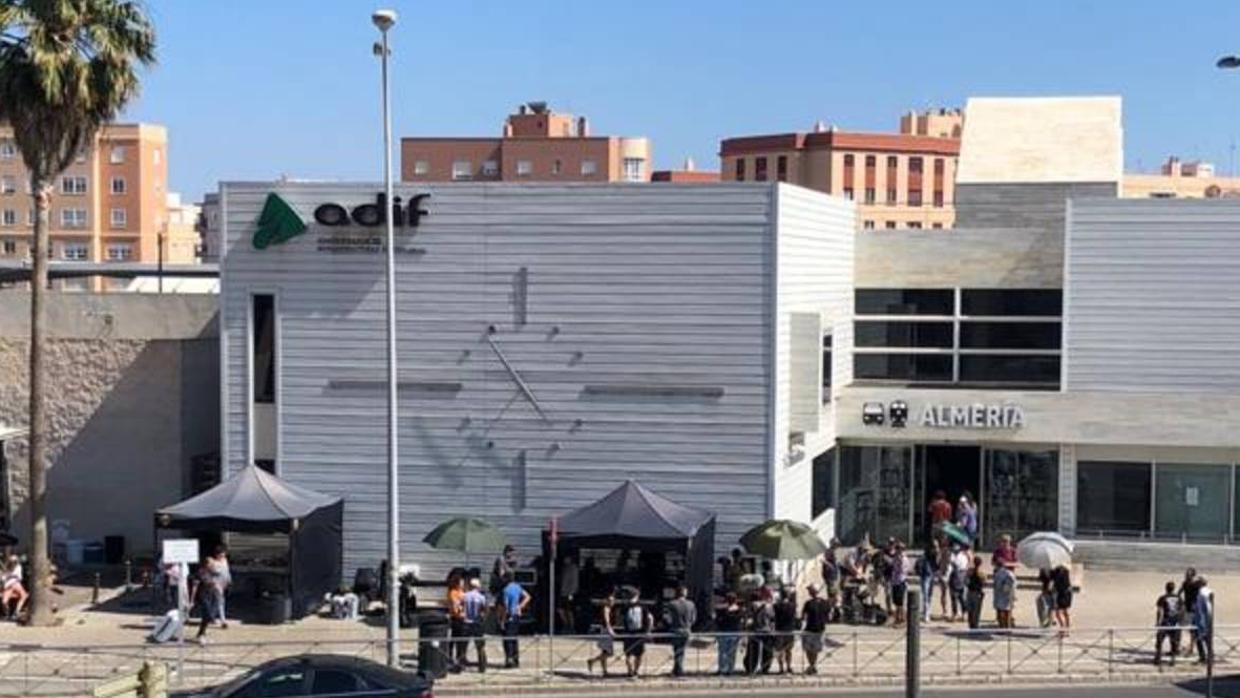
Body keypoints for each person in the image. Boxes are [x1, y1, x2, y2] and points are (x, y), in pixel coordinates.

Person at [500, 574, 531, 669]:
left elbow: (505, 606)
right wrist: (520, 606)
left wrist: (502, 620)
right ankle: (516, 659)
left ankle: (509, 659)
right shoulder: (517, 587)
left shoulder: (505, 590)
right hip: (517, 615)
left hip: (509, 615)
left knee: (507, 639)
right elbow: (528, 596)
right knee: (514, 638)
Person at [665, 585, 697, 677]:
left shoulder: (672, 604)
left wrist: (670, 624)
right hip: (686, 630)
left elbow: (668, 618)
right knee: (681, 650)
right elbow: (694, 618)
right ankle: (677, 669)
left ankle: (679, 670)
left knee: (677, 650)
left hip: (675, 629)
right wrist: (689, 624)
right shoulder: (691, 604)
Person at [801, 584, 831, 675]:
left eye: (809, 591)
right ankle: (812, 666)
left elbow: (803, 617)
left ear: (812, 592)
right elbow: (829, 616)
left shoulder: (808, 603)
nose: (809, 592)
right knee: (815, 650)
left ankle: (812, 666)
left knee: (809, 649)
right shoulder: (825, 603)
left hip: (810, 628)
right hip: (820, 629)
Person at [585, 587, 616, 676]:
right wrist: (610, 630)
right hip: (606, 631)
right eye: (610, 600)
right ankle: (592, 661)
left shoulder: (609, 608)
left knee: (605, 652)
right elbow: (607, 621)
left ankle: (604, 670)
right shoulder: (606, 609)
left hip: (606, 630)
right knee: (609, 653)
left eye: (613, 600)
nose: (612, 602)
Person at [620, 588, 650, 677]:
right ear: (637, 596)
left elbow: (620, 620)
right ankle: (636, 671)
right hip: (639, 633)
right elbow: (650, 618)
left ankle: (630, 671)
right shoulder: (642, 606)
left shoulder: (625, 606)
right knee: (639, 654)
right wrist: (647, 630)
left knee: (628, 654)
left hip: (628, 634)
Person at [462, 579, 489, 673]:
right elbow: (485, 610)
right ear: (478, 586)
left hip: (466, 622)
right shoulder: (481, 597)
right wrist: (483, 619)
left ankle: (461, 665)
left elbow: (460, 607)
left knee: (463, 645)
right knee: (480, 646)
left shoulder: (465, 596)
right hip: (477, 623)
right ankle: (482, 666)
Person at [1155, 581, 1183, 667]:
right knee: (1173, 642)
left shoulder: (1163, 598)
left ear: (1166, 588)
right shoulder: (1179, 598)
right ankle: (1173, 660)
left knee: (1159, 640)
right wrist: (1180, 621)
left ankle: (1158, 658)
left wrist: (1158, 621)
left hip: (1165, 621)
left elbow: (1159, 610)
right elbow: (1182, 610)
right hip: (1175, 622)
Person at [715, 592, 743, 676]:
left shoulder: (722, 610)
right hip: (735, 633)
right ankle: (730, 669)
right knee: (732, 653)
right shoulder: (739, 610)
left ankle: (722, 669)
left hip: (724, 632)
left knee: (723, 652)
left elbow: (718, 620)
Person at [773, 586, 798, 673]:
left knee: (780, 650)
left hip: (779, 630)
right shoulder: (793, 606)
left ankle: (781, 668)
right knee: (788, 650)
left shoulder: (776, 606)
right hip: (789, 630)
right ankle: (789, 666)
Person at [1180, 568, 1204, 659]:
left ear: (1192, 575)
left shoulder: (1196, 584)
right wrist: (1180, 601)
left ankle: (1191, 648)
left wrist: (1199, 578)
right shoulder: (1185, 583)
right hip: (1187, 608)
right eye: (1186, 574)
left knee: (1193, 629)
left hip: (1194, 609)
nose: (1186, 575)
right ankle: (1188, 647)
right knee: (1184, 627)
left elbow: (1204, 582)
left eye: (1188, 574)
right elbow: (1180, 592)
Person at [446, 573, 467, 671]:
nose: (463, 584)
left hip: (462, 618)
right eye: (461, 582)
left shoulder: (462, 591)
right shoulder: (453, 592)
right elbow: (455, 607)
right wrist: (460, 609)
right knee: (455, 638)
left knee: (461, 640)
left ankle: (460, 657)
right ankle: (451, 657)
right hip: (457, 618)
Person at [916, 541, 939, 623]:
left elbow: (937, 566)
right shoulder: (924, 557)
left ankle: (927, 611)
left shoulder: (935, 556)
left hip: (931, 576)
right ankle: (926, 614)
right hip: (925, 576)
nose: (936, 548)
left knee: (929, 596)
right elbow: (919, 566)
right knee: (925, 596)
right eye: (935, 547)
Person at [1, 555, 28, 620]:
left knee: (24, 596)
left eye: (15, 561)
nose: (13, 563)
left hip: (16, 584)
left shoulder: (18, 567)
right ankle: (7, 613)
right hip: (8, 586)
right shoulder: (7, 569)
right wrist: (5, 576)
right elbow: (3, 578)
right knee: (4, 602)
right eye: (12, 561)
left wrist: (9, 575)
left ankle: (17, 611)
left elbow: (19, 577)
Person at [1194, 578, 1214, 664]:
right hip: (1207, 617)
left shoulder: (1202, 592)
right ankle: (1210, 655)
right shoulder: (1209, 591)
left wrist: (1202, 619)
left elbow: (1204, 607)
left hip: (1202, 618)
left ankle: (1203, 657)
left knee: (1200, 637)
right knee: (1207, 638)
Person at [889, 541, 908, 626]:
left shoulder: (904, 559)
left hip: (901, 581)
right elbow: (892, 566)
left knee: (900, 602)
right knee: (895, 602)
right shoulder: (895, 557)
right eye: (896, 548)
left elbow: (903, 570)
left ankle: (902, 619)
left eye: (899, 549)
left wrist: (899, 561)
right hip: (894, 581)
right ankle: (897, 618)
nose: (897, 550)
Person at [948, 546, 969, 623]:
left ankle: (959, 613)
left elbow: (957, 566)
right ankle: (959, 613)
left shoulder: (961, 557)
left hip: (959, 576)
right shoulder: (953, 556)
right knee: (957, 597)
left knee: (959, 597)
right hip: (958, 576)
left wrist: (953, 564)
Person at [993, 560, 1016, 629]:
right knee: (1007, 612)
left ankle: (1002, 627)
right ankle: (1007, 627)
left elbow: (996, 585)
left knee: (1001, 611)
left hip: (1000, 594)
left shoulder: (997, 573)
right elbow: (1012, 585)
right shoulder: (1010, 573)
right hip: (1007, 595)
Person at [965, 556, 986, 630]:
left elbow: (966, 581)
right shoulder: (982, 573)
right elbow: (984, 582)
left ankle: (971, 625)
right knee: (976, 611)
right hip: (977, 593)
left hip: (970, 592)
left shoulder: (970, 571)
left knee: (970, 610)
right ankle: (975, 625)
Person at [1051, 564, 1072, 631]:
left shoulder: (1063, 571)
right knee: (1061, 612)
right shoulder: (1058, 570)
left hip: (1063, 593)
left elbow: (1064, 583)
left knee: (1062, 611)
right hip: (1063, 593)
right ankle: (1065, 627)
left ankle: (1065, 627)